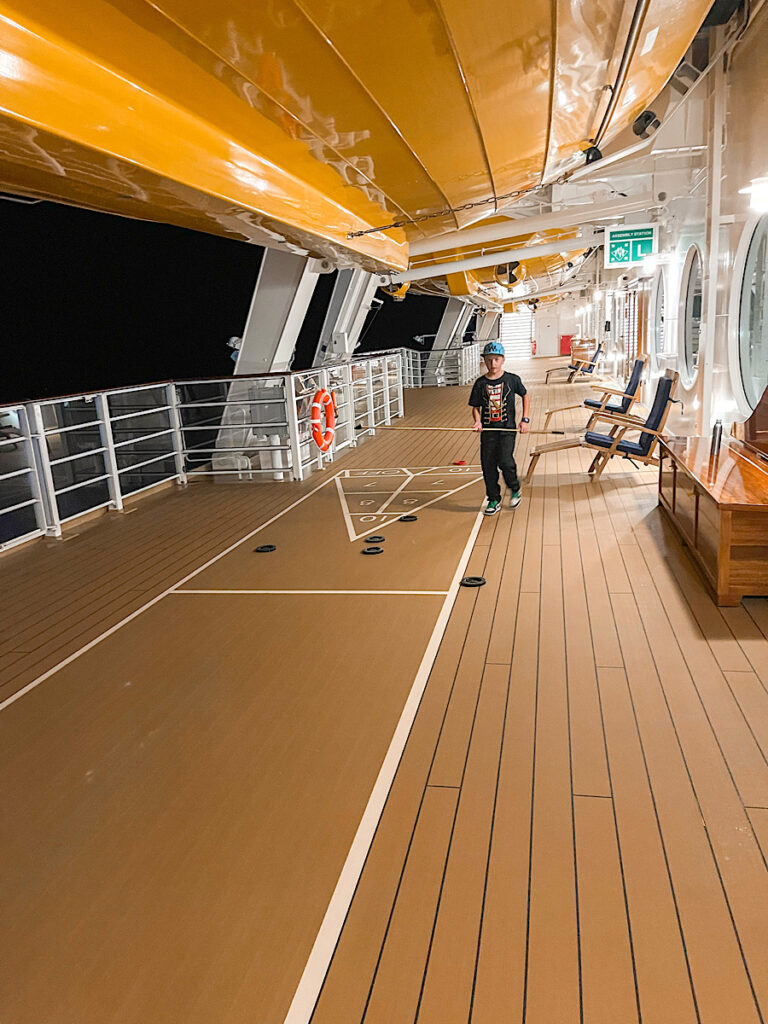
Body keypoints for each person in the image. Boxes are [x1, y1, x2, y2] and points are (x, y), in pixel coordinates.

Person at [468, 341, 530, 515]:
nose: (492, 364)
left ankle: (515, 488)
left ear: (503, 360)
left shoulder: (512, 379)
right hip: (487, 432)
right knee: (488, 465)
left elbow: (525, 395)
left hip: (506, 430)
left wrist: (525, 419)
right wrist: (478, 422)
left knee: (505, 461)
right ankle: (494, 498)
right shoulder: (480, 383)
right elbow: (475, 406)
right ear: (484, 362)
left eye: (496, 359)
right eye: (488, 360)